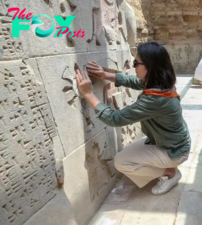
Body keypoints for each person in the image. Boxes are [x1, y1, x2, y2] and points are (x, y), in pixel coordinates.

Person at [75, 42, 190, 195]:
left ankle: (169, 173)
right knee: (128, 156)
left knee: (121, 162)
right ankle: (167, 167)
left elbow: (115, 119)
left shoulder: (155, 99)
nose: (134, 66)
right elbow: (136, 82)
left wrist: (89, 94)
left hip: (173, 150)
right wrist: (105, 75)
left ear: (149, 66)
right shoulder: (163, 83)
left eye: (136, 63)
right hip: (171, 141)